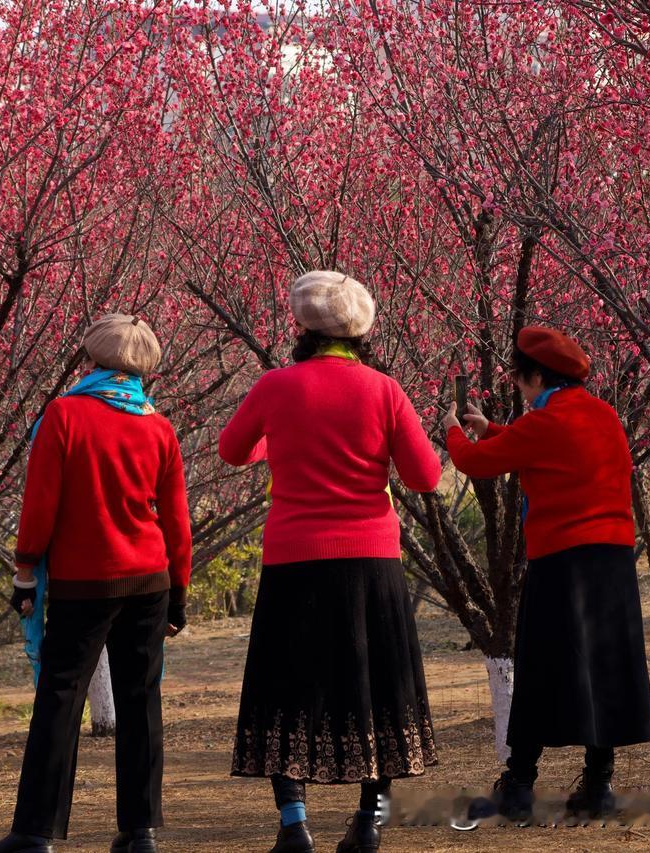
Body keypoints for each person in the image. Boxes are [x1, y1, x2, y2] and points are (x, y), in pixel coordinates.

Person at [221, 271, 441, 853]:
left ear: (302, 329)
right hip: (372, 559)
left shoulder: (275, 386)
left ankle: (294, 824)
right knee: (377, 688)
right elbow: (426, 476)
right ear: (360, 334)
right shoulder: (385, 389)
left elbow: (231, 451)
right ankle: (368, 824)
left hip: (294, 558)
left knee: (284, 685)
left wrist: (279, 440)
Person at [0, 314, 192, 853]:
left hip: (83, 582)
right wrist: (180, 592)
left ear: (91, 361)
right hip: (150, 579)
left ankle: (34, 833)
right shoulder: (159, 426)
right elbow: (176, 521)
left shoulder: (65, 415)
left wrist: (25, 570)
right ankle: (139, 832)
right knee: (141, 700)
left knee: (59, 700)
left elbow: (40, 504)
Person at [444, 326, 650, 823]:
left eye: (520, 380)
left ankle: (519, 785)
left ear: (537, 375)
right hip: (613, 562)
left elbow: (474, 463)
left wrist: (454, 428)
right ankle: (599, 786)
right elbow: (544, 451)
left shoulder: (544, 423)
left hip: (562, 561)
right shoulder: (602, 415)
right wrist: (494, 429)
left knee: (539, 666)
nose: (519, 388)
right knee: (604, 667)